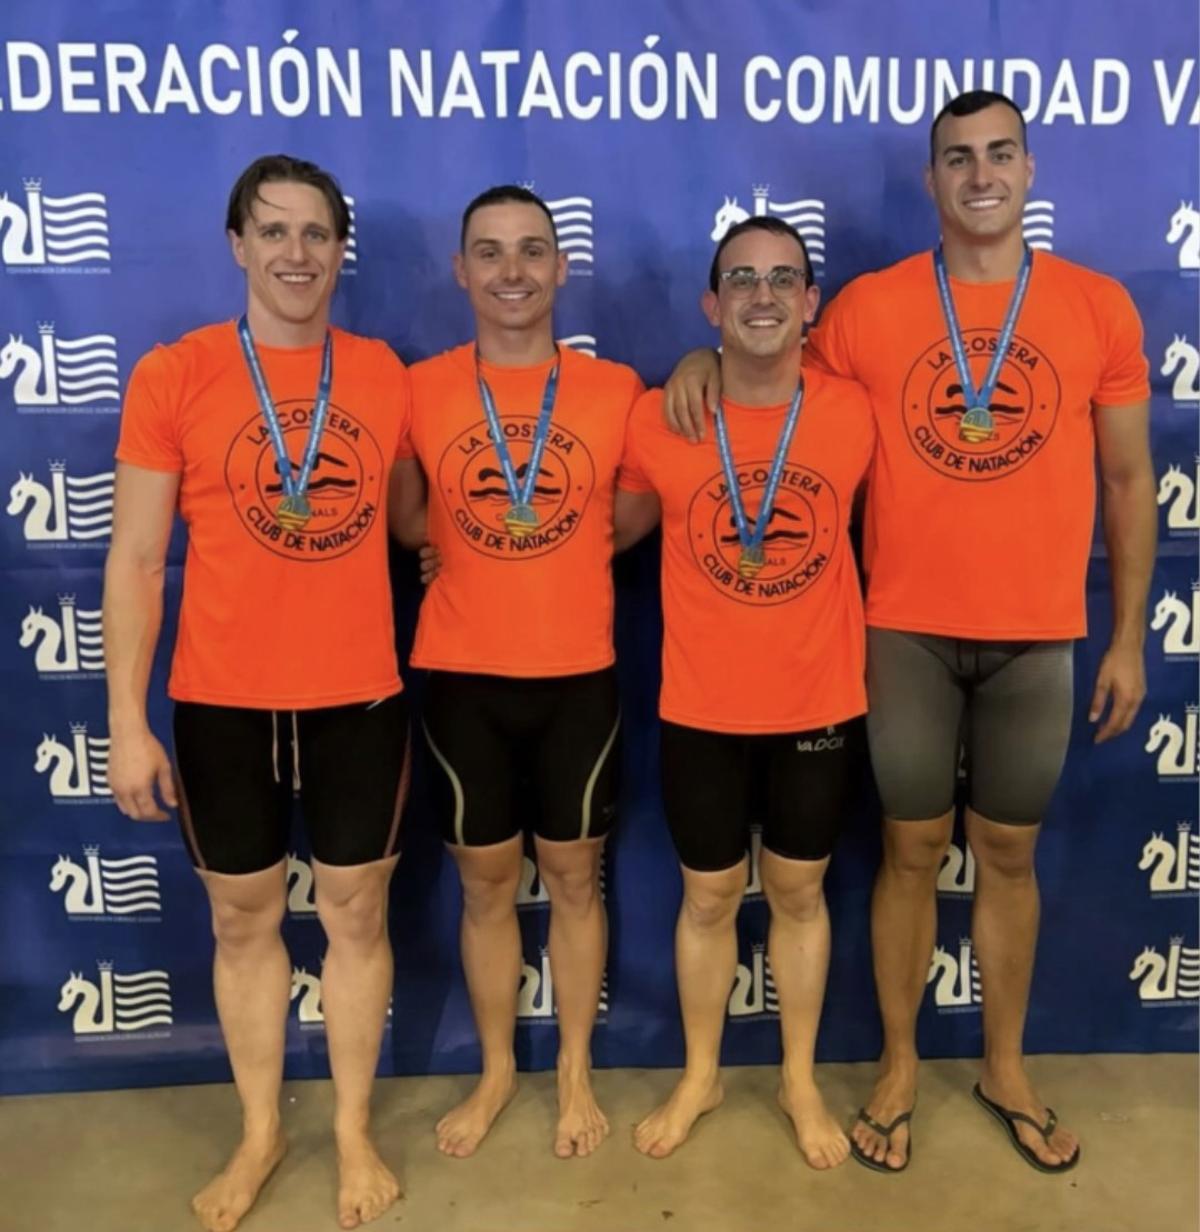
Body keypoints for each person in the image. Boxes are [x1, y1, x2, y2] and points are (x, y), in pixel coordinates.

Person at [663, 90, 1155, 1174]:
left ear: (1029, 171)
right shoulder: (871, 311)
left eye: (999, 155)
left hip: (1038, 635)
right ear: (930, 183)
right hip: (904, 633)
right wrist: (694, 369)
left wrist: (1125, 637)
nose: (980, 176)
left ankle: (1006, 1064)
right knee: (911, 849)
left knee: (1009, 854)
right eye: (956, 159)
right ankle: (896, 1061)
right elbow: (765, 366)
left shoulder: (1099, 307)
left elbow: (1128, 478)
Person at [104, 155, 421, 1231]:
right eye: (273, 231)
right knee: (243, 923)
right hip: (222, 702)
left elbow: (463, 476)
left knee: (355, 915)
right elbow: (138, 558)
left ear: (341, 250)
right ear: (238, 244)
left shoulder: (384, 372)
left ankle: (350, 1130)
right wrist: (125, 720)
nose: (296, 253)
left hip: (357, 699)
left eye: (316, 233)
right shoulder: (175, 374)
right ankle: (260, 1129)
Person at [615, 216, 874, 1168]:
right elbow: (597, 535)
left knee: (801, 895)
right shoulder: (660, 416)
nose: (763, 295)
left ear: (811, 303)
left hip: (816, 704)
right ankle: (701, 1074)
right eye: (741, 281)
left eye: (783, 280)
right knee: (710, 896)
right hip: (702, 709)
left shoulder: (858, 407)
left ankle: (800, 1079)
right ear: (711, 305)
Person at [391, 186, 643, 1160]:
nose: (511, 271)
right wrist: (452, 540)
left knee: (576, 879)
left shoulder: (615, 389)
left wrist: (561, 547)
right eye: (490, 253)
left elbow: (641, 501)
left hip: (577, 673)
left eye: (532, 251)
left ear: (561, 267)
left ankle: (574, 1071)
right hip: (462, 676)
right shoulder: (420, 386)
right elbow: (406, 514)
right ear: (460, 271)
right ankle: (498, 1069)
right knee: (487, 885)